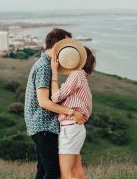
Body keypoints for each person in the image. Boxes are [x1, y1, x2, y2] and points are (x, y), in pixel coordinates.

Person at [24, 28, 86, 179]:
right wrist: (72, 112)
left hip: (40, 126)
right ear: (57, 45)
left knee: (43, 170)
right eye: (67, 44)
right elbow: (44, 102)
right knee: (53, 172)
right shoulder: (44, 67)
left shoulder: (45, 65)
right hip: (43, 126)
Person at [51, 43, 96, 179]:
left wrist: (54, 71)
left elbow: (55, 97)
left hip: (70, 128)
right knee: (77, 173)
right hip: (75, 128)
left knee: (66, 175)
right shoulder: (82, 77)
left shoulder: (77, 74)